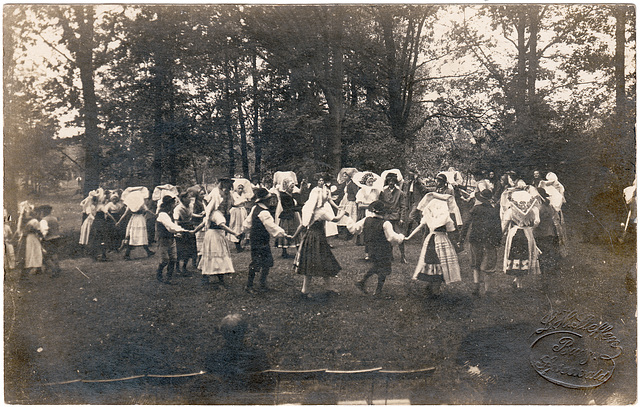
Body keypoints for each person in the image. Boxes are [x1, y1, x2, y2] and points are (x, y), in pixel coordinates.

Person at [291, 173, 345, 299]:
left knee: (314, 262)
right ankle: (307, 290)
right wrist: (342, 213)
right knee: (319, 261)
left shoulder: (309, 209)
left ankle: (322, 288)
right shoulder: (321, 211)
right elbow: (336, 219)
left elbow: (303, 225)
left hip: (309, 237)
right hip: (318, 238)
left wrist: (294, 236)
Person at [407, 188, 463, 297]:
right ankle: (435, 290)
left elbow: (420, 227)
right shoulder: (447, 219)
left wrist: (408, 237)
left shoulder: (429, 217)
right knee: (441, 265)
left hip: (431, 240)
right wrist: (456, 246)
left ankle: (431, 285)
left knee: (432, 263)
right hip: (442, 241)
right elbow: (451, 234)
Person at [346, 200, 405, 296]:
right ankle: (377, 291)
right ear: (384, 213)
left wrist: (349, 218)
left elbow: (354, 229)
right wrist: (400, 237)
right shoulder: (386, 224)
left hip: (371, 249)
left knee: (377, 266)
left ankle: (362, 282)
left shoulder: (366, 220)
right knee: (383, 269)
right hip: (383, 249)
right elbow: (391, 238)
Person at [205, 314, 272, 392]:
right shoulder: (214, 357)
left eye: (236, 332)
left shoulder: (257, 355)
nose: (234, 337)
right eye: (229, 332)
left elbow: (269, 383)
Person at [242, 188, 290, 293]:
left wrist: (244, 230)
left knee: (266, 261)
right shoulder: (264, 213)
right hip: (260, 240)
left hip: (258, 239)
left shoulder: (255, 208)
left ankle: (262, 283)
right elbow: (271, 226)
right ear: (264, 200)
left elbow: (246, 223)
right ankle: (249, 285)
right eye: (268, 199)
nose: (270, 201)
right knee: (257, 262)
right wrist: (283, 234)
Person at [194, 182, 240, 288]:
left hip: (212, 235)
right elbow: (222, 225)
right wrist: (234, 233)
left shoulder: (211, 213)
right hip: (215, 236)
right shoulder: (216, 213)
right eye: (222, 203)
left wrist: (194, 231)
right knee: (217, 255)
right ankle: (218, 279)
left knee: (210, 255)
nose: (224, 205)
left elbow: (203, 223)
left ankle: (207, 277)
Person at [458, 188, 502, 296]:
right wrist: (498, 241)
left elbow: (466, 224)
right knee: (488, 266)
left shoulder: (475, 209)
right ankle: (487, 289)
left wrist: (461, 239)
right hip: (489, 240)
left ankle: (476, 286)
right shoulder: (494, 211)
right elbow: (498, 228)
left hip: (475, 239)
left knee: (476, 262)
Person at [501, 185, 541, 289]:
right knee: (524, 255)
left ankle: (517, 280)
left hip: (514, 233)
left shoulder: (510, 211)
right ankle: (519, 281)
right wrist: (531, 227)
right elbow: (537, 221)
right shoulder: (533, 210)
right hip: (527, 233)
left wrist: (503, 233)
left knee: (515, 256)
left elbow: (504, 224)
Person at [156, 195, 191, 284]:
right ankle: (159, 274)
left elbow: (172, 226)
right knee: (164, 260)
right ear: (168, 204)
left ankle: (169, 278)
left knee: (173, 259)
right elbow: (170, 227)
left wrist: (177, 233)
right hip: (163, 239)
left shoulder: (169, 212)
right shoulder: (162, 214)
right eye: (172, 203)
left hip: (171, 238)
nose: (174, 205)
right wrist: (183, 230)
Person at [380, 173, 408, 263]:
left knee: (400, 237)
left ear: (395, 182)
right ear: (387, 181)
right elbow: (381, 204)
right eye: (389, 181)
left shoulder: (400, 193)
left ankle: (403, 256)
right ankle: (390, 255)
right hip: (387, 217)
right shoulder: (383, 192)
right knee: (388, 236)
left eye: (393, 181)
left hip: (396, 217)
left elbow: (403, 207)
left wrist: (402, 218)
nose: (391, 183)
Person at [534, 188, 562, 276]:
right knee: (549, 252)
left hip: (541, 233)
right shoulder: (549, 206)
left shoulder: (539, 209)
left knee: (542, 253)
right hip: (550, 232)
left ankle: (544, 271)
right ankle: (551, 270)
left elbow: (536, 222)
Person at [274, 178, 302, 259]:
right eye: (291, 187)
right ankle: (284, 251)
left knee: (295, 231)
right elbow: (288, 207)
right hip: (287, 216)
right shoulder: (284, 195)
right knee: (287, 231)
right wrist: (298, 208)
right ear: (286, 186)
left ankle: (298, 251)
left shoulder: (290, 195)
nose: (292, 189)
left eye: (293, 187)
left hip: (292, 214)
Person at [354, 173, 380, 253]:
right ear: (365, 182)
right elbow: (360, 206)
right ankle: (367, 252)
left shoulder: (376, 191)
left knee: (376, 232)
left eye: (372, 181)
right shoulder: (361, 191)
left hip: (375, 212)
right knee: (367, 232)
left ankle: (375, 251)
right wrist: (371, 205)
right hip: (366, 212)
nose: (371, 183)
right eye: (369, 181)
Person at [174, 192, 198, 276]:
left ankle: (184, 267)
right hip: (182, 228)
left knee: (190, 249)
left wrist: (200, 216)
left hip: (189, 227)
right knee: (180, 249)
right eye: (188, 197)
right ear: (183, 198)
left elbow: (191, 214)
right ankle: (177, 268)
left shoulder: (191, 205)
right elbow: (176, 221)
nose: (190, 199)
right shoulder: (178, 208)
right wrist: (177, 231)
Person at [37, 205, 62, 278]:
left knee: (46, 256)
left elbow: (45, 231)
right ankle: (57, 267)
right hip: (56, 237)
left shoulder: (44, 220)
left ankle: (54, 270)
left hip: (49, 239)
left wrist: (42, 238)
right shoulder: (54, 218)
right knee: (54, 253)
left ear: (44, 211)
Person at [22, 207, 43, 278]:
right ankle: (34, 267)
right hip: (32, 237)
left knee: (33, 251)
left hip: (30, 237)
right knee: (35, 251)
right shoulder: (35, 221)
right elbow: (37, 230)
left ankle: (37, 268)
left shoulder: (30, 221)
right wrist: (42, 236)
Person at [228, 183, 250, 252]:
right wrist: (242, 201)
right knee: (235, 227)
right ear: (236, 188)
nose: (240, 190)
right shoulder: (233, 195)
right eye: (239, 188)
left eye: (241, 188)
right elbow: (234, 203)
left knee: (242, 227)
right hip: (236, 211)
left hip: (242, 211)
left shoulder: (243, 195)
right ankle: (237, 245)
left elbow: (245, 203)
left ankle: (240, 243)